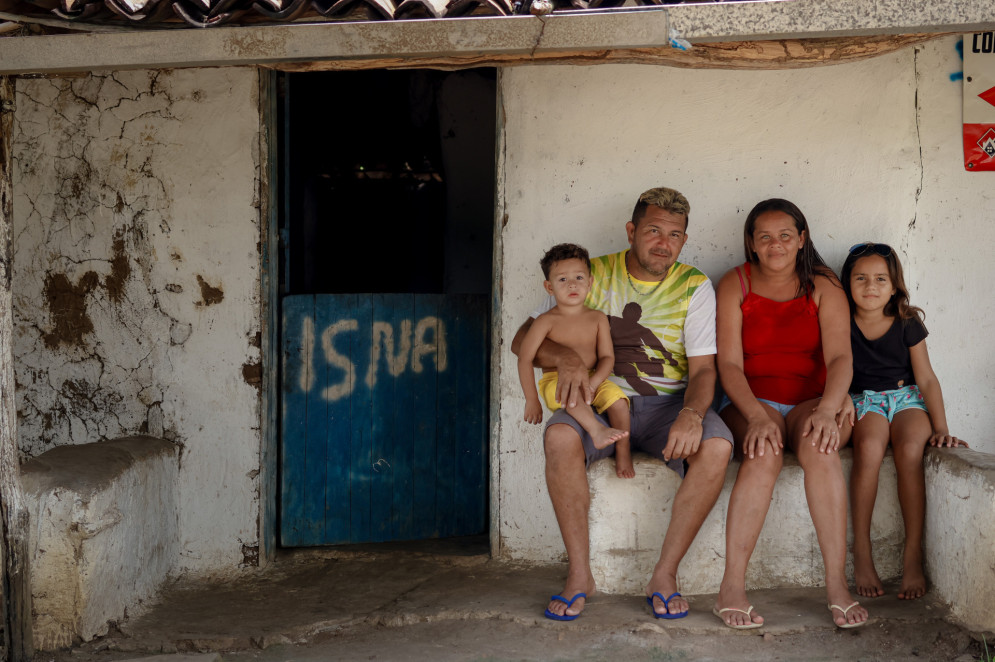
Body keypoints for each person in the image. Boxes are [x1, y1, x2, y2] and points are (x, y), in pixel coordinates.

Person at [511, 187, 733, 622]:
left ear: (684, 240)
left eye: (674, 234)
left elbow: (705, 370)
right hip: (595, 400)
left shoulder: (694, 286)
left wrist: (691, 413)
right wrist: (567, 357)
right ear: (632, 230)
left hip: (668, 404)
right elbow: (524, 341)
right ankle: (579, 576)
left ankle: (664, 576)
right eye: (652, 230)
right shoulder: (587, 273)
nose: (662, 242)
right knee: (558, 437)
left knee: (719, 446)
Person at [713, 198, 868, 629]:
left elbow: (840, 358)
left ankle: (836, 585)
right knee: (763, 452)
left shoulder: (823, 285)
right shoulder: (734, 284)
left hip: (810, 400)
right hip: (750, 399)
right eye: (764, 236)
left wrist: (829, 408)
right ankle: (732, 586)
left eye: (785, 235)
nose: (775, 244)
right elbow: (728, 365)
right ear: (751, 243)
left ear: (802, 240)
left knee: (821, 449)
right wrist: (756, 415)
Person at [842, 242, 967, 601]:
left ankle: (912, 555)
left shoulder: (907, 321)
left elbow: (926, 378)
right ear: (847, 283)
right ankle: (862, 554)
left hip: (907, 398)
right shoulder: (841, 321)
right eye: (861, 278)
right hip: (864, 400)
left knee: (911, 449)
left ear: (894, 285)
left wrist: (941, 427)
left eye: (881, 278)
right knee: (868, 447)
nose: (871, 286)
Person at [517, 243, 634, 479]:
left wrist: (593, 383)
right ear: (549, 287)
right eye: (562, 280)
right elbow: (525, 358)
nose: (572, 284)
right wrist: (531, 399)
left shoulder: (598, 318)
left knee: (620, 402)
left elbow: (607, 357)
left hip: (593, 377)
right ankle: (596, 430)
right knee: (571, 397)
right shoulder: (544, 321)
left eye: (579, 277)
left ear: (590, 283)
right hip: (556, 380)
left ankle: (623, 452)